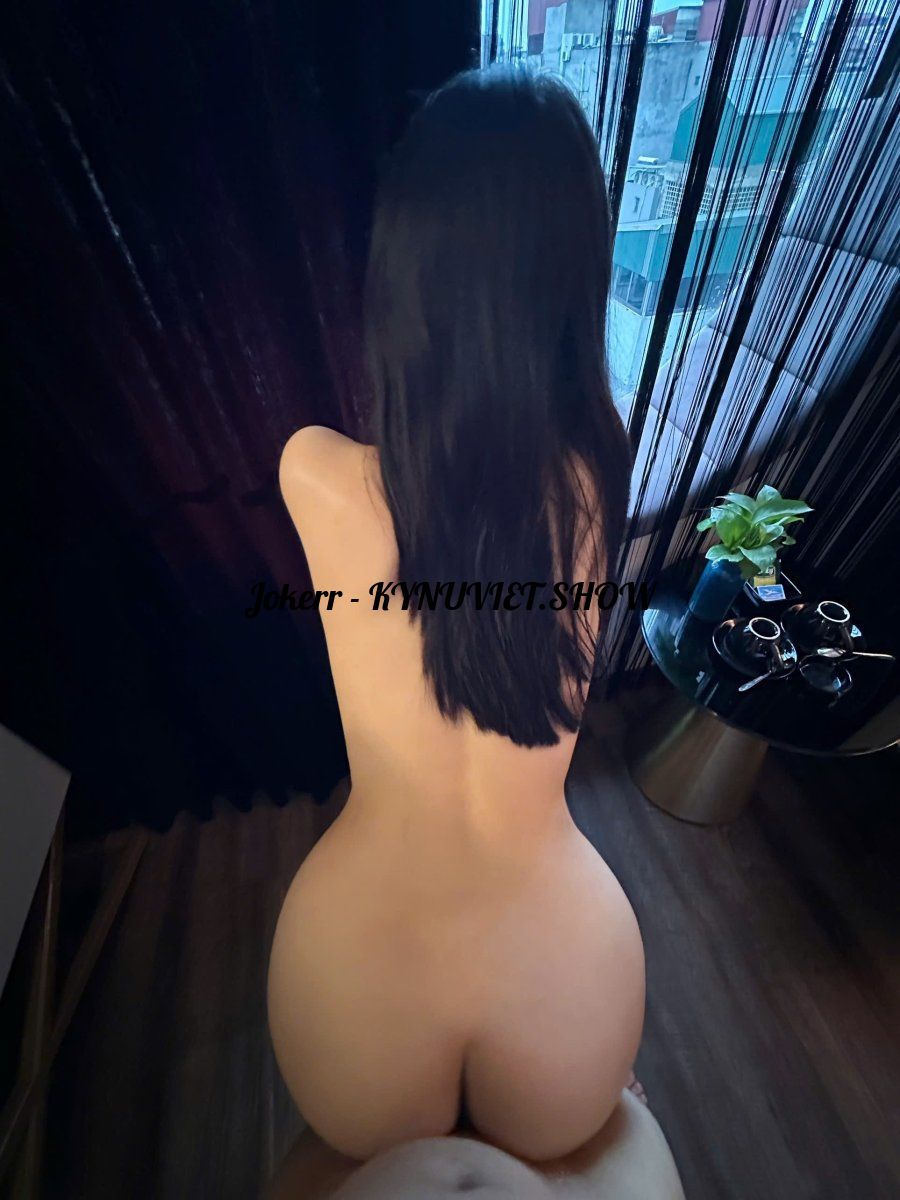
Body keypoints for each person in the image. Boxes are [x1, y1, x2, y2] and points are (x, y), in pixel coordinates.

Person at [268, 64, 657, 1175]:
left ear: (404, 278)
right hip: (569, 998)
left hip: (354, 1000)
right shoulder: (597, 477)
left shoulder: (314, 473)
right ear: (574, 281)